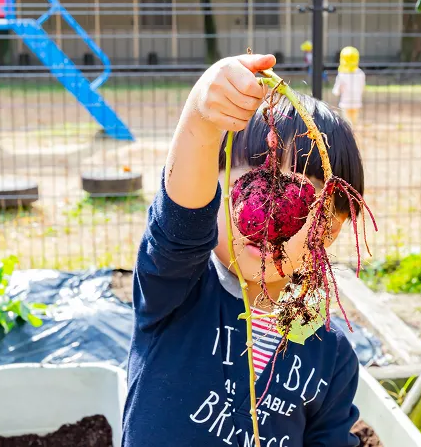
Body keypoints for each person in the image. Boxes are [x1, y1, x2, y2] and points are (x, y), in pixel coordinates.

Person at [123, 54, 364, 446]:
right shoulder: (176, 287)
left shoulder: (332, 358)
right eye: (253, 182)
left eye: (297, 192)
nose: (269, 214)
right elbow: (181, 220)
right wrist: (202, 119)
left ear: (329, 229)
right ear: (212, 191)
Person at [333, 46, 366, 126]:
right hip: (357, 101)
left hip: (345, 102)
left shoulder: (342, 74)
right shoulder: (360, 73)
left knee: (347, 123)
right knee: (354, 122)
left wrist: (336, 91)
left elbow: (336, 91)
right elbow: (362, 87)